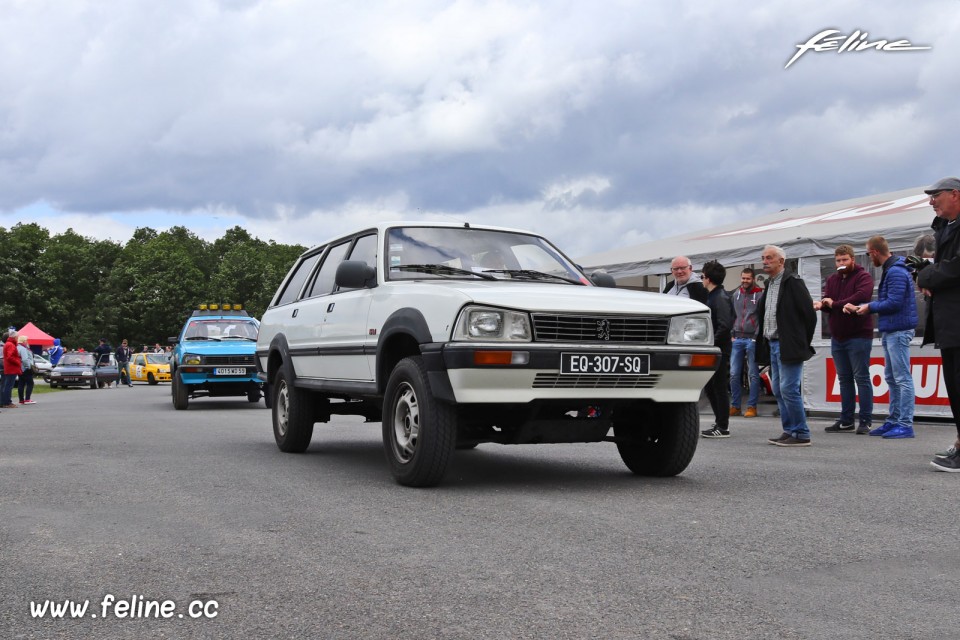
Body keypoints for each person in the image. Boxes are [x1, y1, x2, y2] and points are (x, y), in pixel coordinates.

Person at [849, 236, 918, 439]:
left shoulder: (895, 271)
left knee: (901, 378)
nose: (870, 259)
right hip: (892, 330)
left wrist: (869, 307)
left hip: (898, 330)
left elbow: (894, 302)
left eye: (869, 254)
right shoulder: (894, 269)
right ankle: (895, 420)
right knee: (892, 377)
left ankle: (904, 423)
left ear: (875, 252)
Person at [915, 178, 960, 471]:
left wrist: (927, 276)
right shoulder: (945, 227)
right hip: (950, 323)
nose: (932, 201)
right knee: (955, 387)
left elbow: (955, 267)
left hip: (957, 322)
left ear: (955, 194)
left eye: (936, 195)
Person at [757, 245, 817, 447]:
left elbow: (809, 314)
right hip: (773, 342)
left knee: (788, 388)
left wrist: (800, 341)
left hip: (787, 344)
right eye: (763, 258)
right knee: (779, 390)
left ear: (781, 261)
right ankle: (789, 429)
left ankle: (801, 433)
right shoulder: (770, 284)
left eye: (770, 258)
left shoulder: (793, 282)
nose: (765, 261)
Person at [814, 245, 875, 434]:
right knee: (844, 379)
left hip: (858, 335)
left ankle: (865, 420)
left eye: (844, 260)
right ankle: (846, 419)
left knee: (862, 378)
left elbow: (861, 297)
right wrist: (822, 304)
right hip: (837, 336)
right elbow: (829, 301)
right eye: (838, 260)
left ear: (852, 260)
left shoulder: (863, 276)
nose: (841, 264)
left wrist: (833, 304)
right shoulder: (832, 279)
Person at [700, 260, 735, 438]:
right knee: (711, 387)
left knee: (718, 387)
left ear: (708, 278)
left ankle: (723, 426)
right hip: (716, 348)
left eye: (702, 276)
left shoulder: (719, 297)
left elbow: (725, 324)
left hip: (719, 349)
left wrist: (710, 342)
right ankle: (720, 422)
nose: (701, 280)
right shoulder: (716, 295)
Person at [729, 267, 763, 418]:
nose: (745, 281)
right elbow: (731, 315)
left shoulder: (760, 294)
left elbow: (761, 318)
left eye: (748, 278)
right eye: (743, 278)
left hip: (752, 339)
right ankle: (735, 406)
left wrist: (756, 337)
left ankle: (752, 406)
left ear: (753, 278)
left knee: (753, 375)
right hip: (737, 338)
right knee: (734, 374)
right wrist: (732, 334)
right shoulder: (736, 294)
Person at [2, 329, 22, 408]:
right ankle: (7, 402)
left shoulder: (8, 344)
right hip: (11, 368)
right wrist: (18, 361)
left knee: (7, 385)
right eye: (17, 337)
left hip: (9, 368)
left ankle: (5, 402)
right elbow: (10, 357)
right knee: (9, 386)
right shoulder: (11, 344)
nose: (18, 338)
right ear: (14, 337)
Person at [17, 335, 36, 404]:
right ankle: (27, 399)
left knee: (21, 383)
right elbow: (25, 359)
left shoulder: (17, 347)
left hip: (19, 368)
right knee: (30, 383)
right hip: (25, 368)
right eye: (26, 340)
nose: (27, 342)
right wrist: (28, 366)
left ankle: (21, 399)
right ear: (23, 341)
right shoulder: (23, 348)